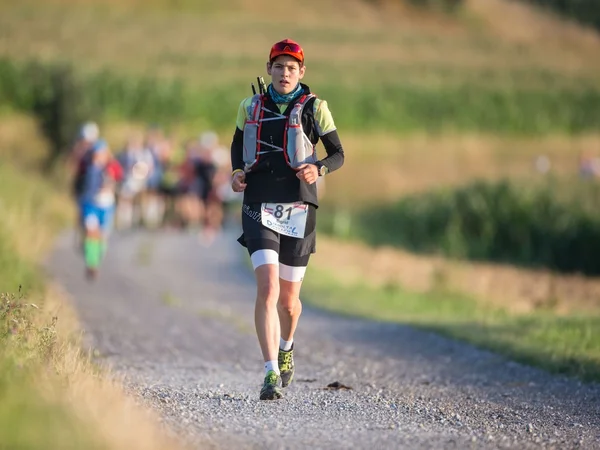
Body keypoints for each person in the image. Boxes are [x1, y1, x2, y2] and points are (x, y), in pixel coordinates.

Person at [230, 39, 345, 400]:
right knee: (268, 289)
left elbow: (338, 153)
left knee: (289, 303)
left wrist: (318, 168)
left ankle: (287, 345)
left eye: (291, 68)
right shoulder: (250, 105)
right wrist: (236, 171)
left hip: (298, 207)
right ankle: (269, 374)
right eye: (278, 66)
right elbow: (237, 146)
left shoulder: (315, 108)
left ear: (301, 73)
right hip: (259, 204)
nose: (284, 73)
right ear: (269, 69)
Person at [77, 139, 123, 280]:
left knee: (102, 237)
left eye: (102, 153)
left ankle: (95, 256)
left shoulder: (112, 166)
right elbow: (79, 184)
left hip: (106, 205)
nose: (99, 156)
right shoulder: (87, 166)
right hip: (90, 204)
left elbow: (119, 178)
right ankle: (92, 264)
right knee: (92, 232)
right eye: (97, 153)